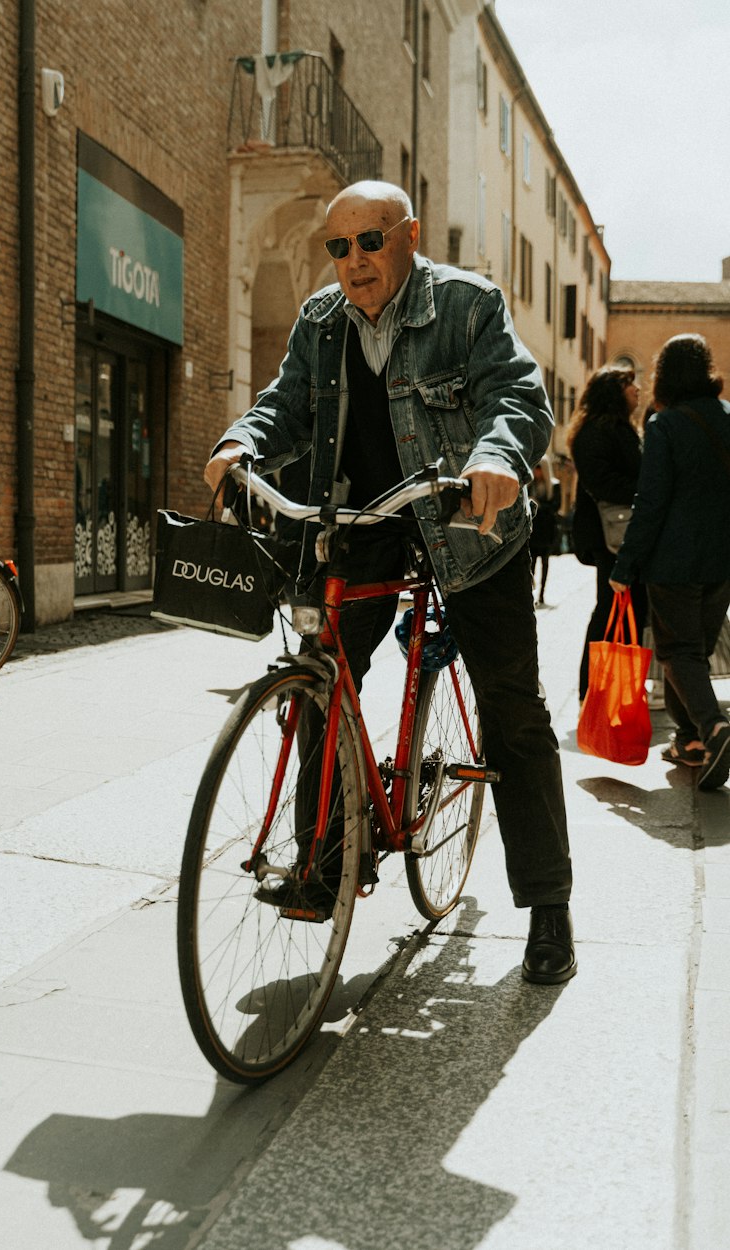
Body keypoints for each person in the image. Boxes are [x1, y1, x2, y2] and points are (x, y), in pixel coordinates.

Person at [204, 180, 575, 985]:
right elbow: (287, 405)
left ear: (408, 236)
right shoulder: (320, 321)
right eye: (338, 248)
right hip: (362, 524)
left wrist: (495, 457)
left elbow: (519, 394)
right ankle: (325, 864)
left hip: (466, 527)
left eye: (370, 242)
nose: (354, 262)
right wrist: (242, 444)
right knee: (321, 681)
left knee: (514, 713)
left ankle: (550, 907)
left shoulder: (468, 306)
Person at [609, 334, 730, 790]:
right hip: (722, 561)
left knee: (679, 653)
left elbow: (651, 503)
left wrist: (625, 568)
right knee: (694, 652)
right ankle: (689, 739)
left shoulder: (664, 425)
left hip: (675, 561)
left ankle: (714, 728)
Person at [568, 365, 647, 701]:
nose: (638, 390)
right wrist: (647, 491)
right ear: (614, 391)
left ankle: (614, 689)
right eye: (630, 385)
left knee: (628, 611)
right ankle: (595, 692)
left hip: (619, 533)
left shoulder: (617, 428)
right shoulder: (597, 431)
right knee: (610, 612)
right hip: (609, 536)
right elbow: (602, 482)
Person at [529, 458, 560, 606]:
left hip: (547, 531)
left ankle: (542, 594)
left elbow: (555, 506)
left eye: (539, 468)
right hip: (534, 531)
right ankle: (531, 594)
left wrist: (540, 505)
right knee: (532, 564)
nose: (537, 471)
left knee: (545, 563)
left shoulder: (554, 486)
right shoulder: (530, 486)